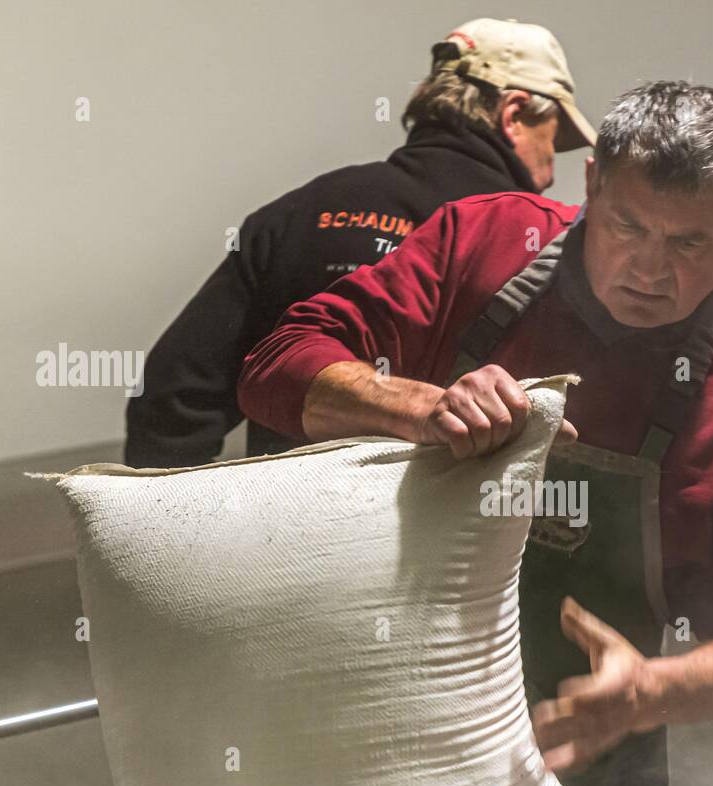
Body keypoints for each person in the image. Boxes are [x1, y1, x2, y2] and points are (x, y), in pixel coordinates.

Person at [236, 80, 713, 786]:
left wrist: (649, 691)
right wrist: (422, 404)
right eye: (627, 226)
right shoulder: (480, 244)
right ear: (591, 187)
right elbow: (275, 369)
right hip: (375, 729)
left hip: (586, 774)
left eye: (689, 244)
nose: (648, 269)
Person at [124, 17, 594, 468]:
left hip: (280, 540)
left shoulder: (299, 211)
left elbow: (174, 395)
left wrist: (186, 530)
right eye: (553, 139)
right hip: (453, 543)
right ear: (513, 115)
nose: (552, 171)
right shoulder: (522, 241)